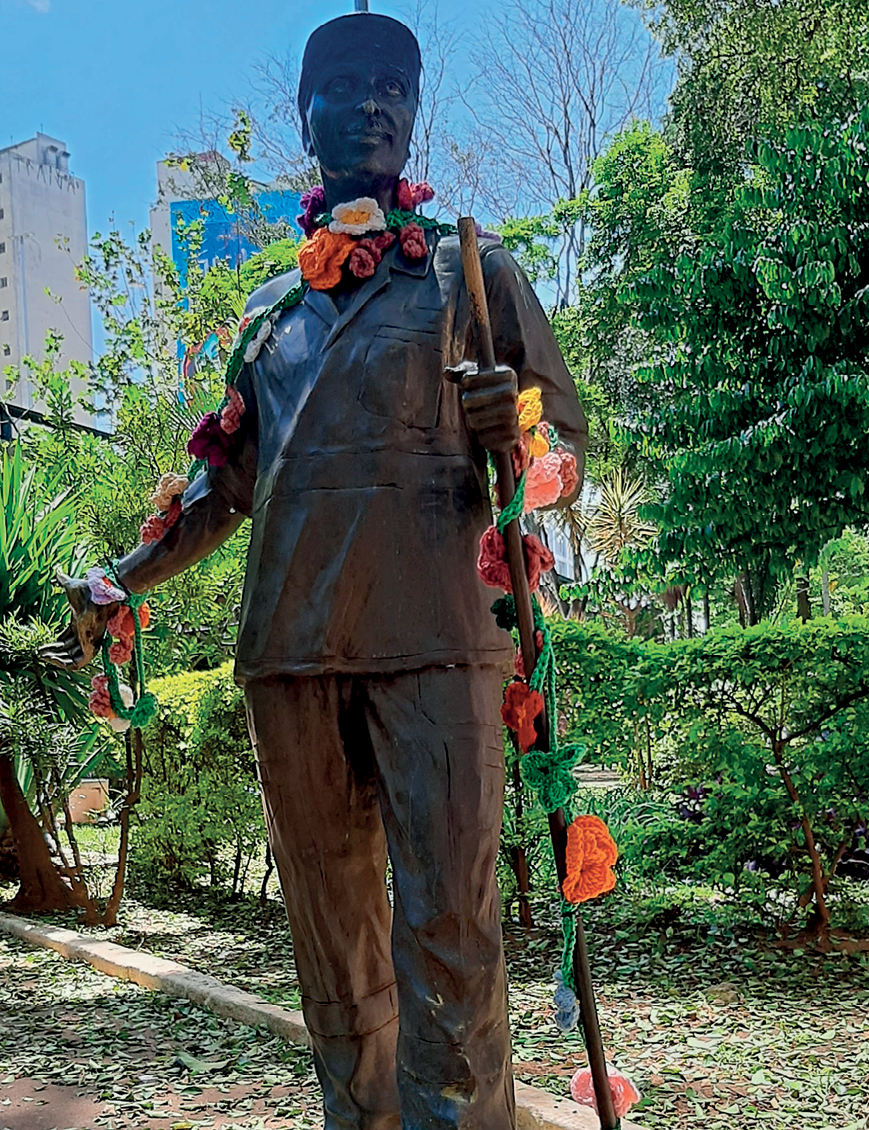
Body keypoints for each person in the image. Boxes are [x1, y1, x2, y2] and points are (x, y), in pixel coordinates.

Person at [43, 13, 586, 1129]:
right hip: (291, 653)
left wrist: (515, 432)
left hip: (438, 640)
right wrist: (120, 577)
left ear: (414, 110)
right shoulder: (269, 316)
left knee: (450, 940)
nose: (373, 100)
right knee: (335, 957)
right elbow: (220, 486)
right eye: (346, 84)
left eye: (394, 82)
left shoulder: (472, 271)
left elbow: (565, 453)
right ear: (308, 115)